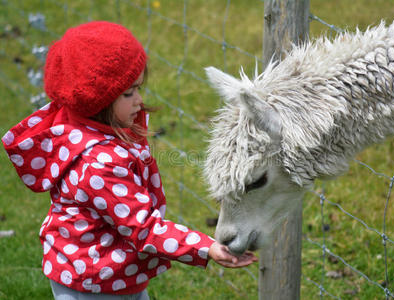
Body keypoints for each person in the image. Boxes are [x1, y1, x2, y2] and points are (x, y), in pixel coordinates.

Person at [1, 21, 257, 299]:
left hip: (110, 272)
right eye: (128, 93)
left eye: (138, 88)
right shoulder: (100, 164)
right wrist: (205, 247)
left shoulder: (85, 125)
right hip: (93, 282)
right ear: (96, 101)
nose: (139, 100)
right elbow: (143, 228)